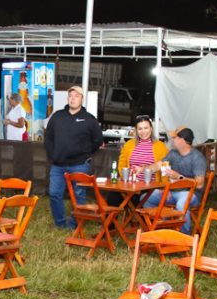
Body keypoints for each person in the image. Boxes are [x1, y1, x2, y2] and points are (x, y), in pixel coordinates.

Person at [43, 85, 104, 229]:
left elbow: (98, 140)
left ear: (82, 99)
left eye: (77, 96)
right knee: (54, 194)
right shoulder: (57, 116)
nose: (73, 98)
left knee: (79, 196)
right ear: (67, 98)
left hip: (79, 165)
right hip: (57, 165)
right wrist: (52, 155)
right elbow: (48, 138)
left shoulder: (89, 119)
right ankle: (60, 223)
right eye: (71, 96)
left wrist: (85, 153)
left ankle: (75, 224)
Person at [142, 126, 207, 234]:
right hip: (172, 191)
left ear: (183, 140)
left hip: (191, 193)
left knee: (181, 205)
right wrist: (143, 169)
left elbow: (199, 184)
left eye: (174, 138)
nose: (172, 140)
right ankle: (166, 227)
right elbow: (159, 165)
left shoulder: (197, 157)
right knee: (145, 199)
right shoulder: (173, 153)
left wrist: (179, 177)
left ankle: (184, 238)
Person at [106, 114, 169, 205]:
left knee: (139, 200)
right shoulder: (129, 145)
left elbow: (165, 168)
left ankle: (138, 218)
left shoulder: (161, 147)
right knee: (112, 196)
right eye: (140, 129)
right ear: (136, 130)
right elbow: (122, 164)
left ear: (151, 128)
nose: (143, 131)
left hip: (149, 187)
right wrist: (125, 177)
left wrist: (164, 187)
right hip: (129, 185)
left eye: (146, 128)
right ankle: (111, 219)